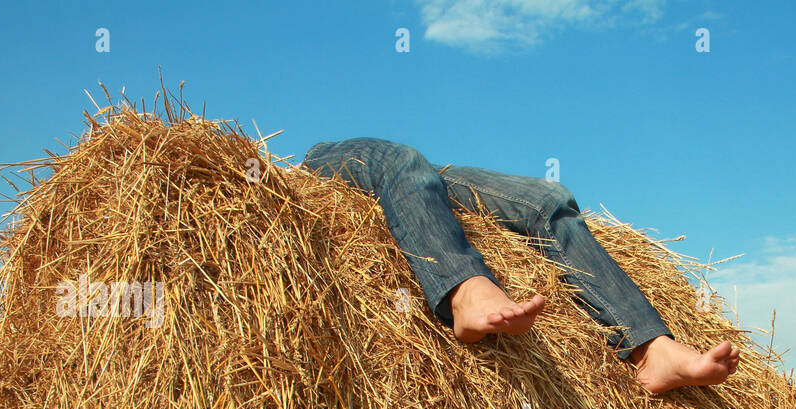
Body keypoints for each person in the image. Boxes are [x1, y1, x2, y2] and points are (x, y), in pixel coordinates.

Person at [302, 139, 738, 394]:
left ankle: (652, 349)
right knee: (403, 162)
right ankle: (467, 293)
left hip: (418, 172)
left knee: (547, 199)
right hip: (321, 160)